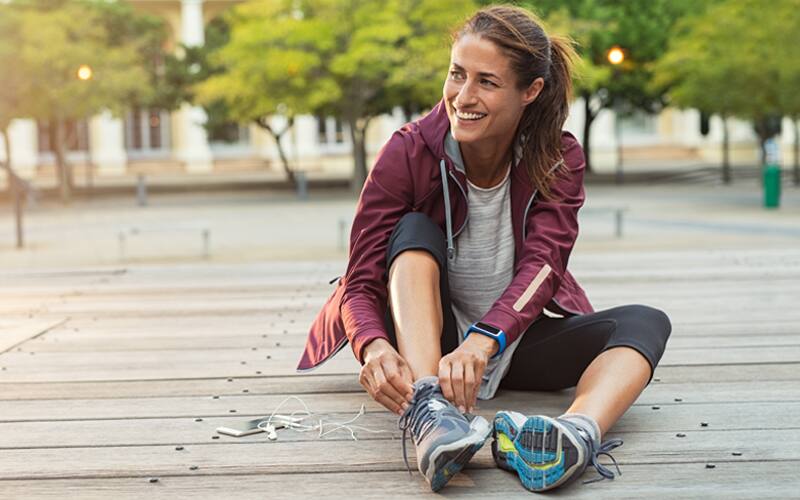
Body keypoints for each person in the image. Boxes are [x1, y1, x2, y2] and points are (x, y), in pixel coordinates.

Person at [298, 4, 671, 493]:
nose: (463, 96)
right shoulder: (407, 151)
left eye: (486, 82)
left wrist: (485, 339)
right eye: (457, 75)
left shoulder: (558, 157)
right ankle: (431, 414)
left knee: (645, 322)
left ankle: (575, 434)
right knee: (412, 231)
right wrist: (373, 345)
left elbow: (545, 266)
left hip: (508, 340)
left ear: (530, 91)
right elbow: (361, 279)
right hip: (427, 345)